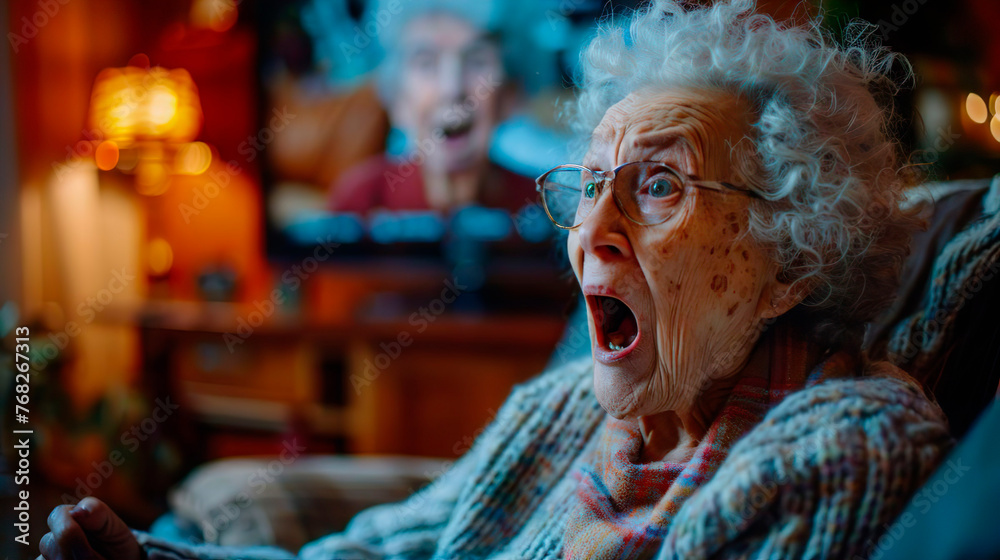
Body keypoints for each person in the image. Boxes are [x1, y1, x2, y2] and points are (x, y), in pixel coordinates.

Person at [42, 1, 953, 558]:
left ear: (790, 259)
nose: (591, 230)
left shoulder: (839, 445)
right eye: (590, 187)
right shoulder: (562, 410)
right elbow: (388, 549)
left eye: (661, 186)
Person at [327, 2, 537, 215]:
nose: (451, 88)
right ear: (399, 101)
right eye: (426, 63)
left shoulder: (538, 205)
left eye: (477, 61)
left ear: (508, 97)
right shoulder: (362, 201)